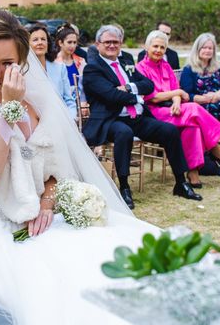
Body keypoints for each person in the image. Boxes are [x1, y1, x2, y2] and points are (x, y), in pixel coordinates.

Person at [0, 10, 158, 325]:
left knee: (113, 278)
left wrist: (46, 201)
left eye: (6, 63)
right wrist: (8, 111)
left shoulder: (35, 104)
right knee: (57, 302)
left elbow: (55, 170)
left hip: (45, 224)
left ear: (22, 64)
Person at [82, 25, 200, 208]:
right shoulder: (92, 69)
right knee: (124, 133)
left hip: (136, 117)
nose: (112, 45)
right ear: (98, 44)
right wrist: (137, 97)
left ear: (120, 43)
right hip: (110, 119)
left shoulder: (125, 63)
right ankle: (124, 187)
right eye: (107, 42)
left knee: (169, 130)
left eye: (116, 42)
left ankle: (181, 182)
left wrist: (129, 88)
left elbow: (149, 85)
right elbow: (111, 96)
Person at [136, 30, 220, 188]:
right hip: (154, 112)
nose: (158, 50)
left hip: (173, 109)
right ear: (147, 47)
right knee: (193, 108)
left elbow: (175, 88)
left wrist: (177, 100)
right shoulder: (140, 68)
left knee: (193, 126)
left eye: (162, 47)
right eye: (155, 46)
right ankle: (218, 151)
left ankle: (193, 173)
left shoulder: (166, 66)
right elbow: (153, 97)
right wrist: (177, 94)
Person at [28, 23, 76, 120]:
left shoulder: (60, 68)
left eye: (43, 39)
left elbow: (69, 100)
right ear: (28, 44)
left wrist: (71, 118)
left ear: (48, 43)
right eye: (35, 40)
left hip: (61, 119)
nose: (40, 42)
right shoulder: (24, 70)